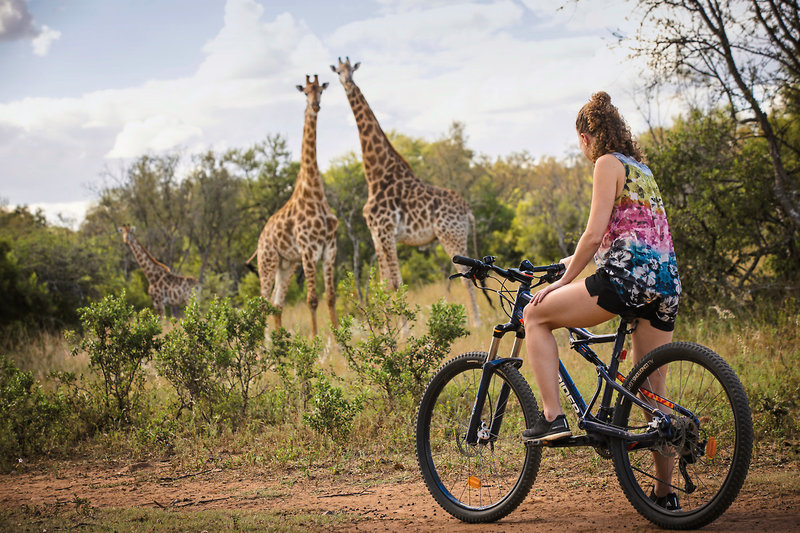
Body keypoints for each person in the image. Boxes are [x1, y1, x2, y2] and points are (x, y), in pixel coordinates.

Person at [520, 91, 682, 509]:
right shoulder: (640, 168)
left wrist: (559, 284)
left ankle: (552, 419)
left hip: (627, 280)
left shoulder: (604, 164)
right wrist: (567, 265)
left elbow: (594, 236)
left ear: (585, 137)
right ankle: (665, 497)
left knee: (535, 315)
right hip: (665, 284)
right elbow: (633, 229)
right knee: (652, 394)